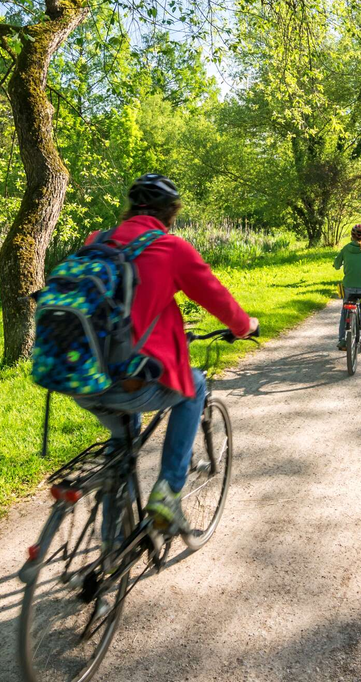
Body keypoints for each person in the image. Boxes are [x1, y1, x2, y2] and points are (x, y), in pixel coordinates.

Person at [79, 173, 258, 531]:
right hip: (130, 381)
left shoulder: (97, 241)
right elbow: (216, 297)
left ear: (130, 208)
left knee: (122, 443)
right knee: (193, 387)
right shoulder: (170, 248)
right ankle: (168, 493)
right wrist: (245, 326)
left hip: (78, 376)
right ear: (172, 211)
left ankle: (112, 547)